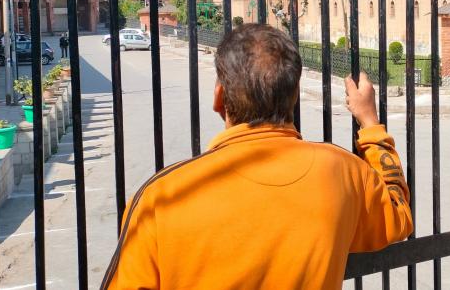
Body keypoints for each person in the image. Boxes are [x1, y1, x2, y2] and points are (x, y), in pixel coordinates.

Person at [101, 24, 412, 290]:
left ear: (219, 97)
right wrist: (370, 123)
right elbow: (398, 215)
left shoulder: (162, 197)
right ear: (293, 94)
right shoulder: (341, 170)